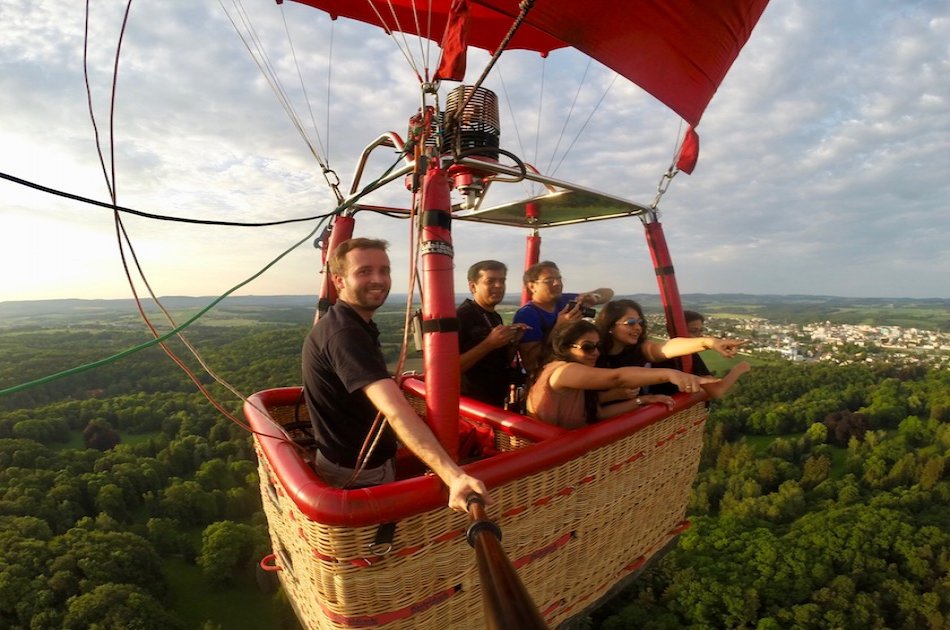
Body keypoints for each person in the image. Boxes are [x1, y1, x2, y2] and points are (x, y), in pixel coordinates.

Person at [301, 237, 490, 511]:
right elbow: (395, 410)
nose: (378, 279)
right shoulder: (345, 334)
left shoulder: (351, 323)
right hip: (360, 471)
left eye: (384, 270)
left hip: (350, 460)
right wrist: (454, 476)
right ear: (339, 280)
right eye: (364, 271)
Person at [526, 320, 718, 429]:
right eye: (587, 347)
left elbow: (597, 414)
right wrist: (669, 374)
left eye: (597, 346)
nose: (595, 352)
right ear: (565, 348)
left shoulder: (578, 378)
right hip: (549, 455)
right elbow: (616, 377)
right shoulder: (562, 371)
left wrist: (644, 400)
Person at [594, 300, 749, 399]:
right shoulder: (592, 352)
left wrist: (710, 342)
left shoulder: (639, 348)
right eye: (631, 322)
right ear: (610, 325)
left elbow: (664, 348)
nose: (638, 327)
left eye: (639, 322)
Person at [513, 261, 613, 374]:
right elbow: (530, 363)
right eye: (549, 280)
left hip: (577, 370)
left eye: (559, 278)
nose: (557, 283)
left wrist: (595, 297)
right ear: (532, 286)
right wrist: (559, 328)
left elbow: (608, 292)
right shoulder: (527, 315)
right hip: (552, 376)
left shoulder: (565, 301)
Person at [457, 260, 529, 407]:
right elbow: (449, 369)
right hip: (471, 406)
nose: (498, 286)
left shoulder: (495, 317)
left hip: (494, 401)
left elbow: (499, 360)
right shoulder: (461, 317)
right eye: (490, 281)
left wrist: (513, 342)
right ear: (473, 286)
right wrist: (489, 343)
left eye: (502, 281)